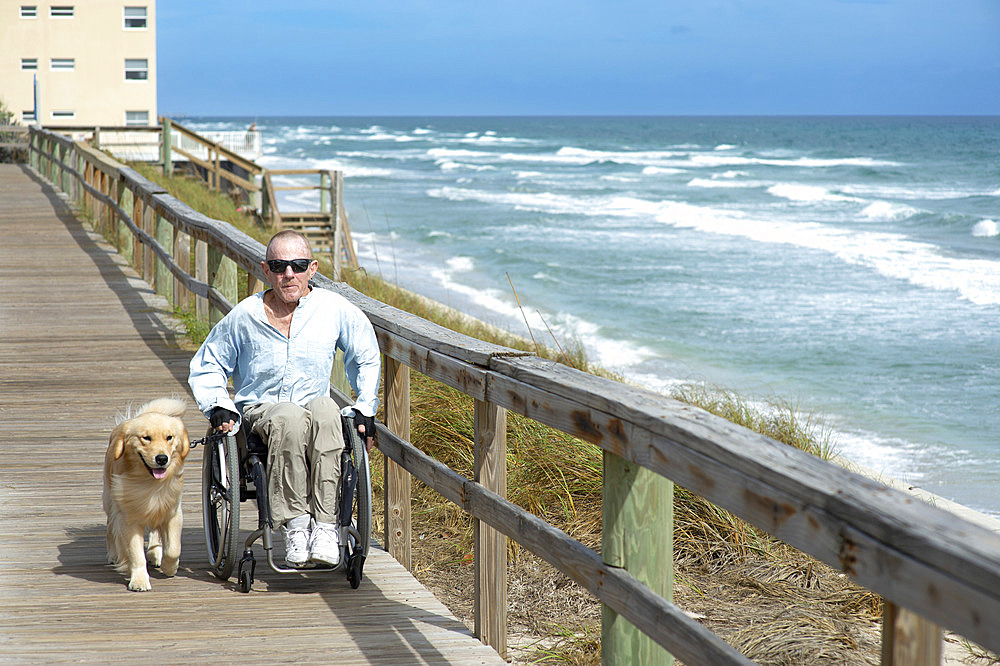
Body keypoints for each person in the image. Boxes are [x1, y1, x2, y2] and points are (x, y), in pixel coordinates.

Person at [188, 230, 380, 568]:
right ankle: (296, 524)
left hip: (314, 405)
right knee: (289, 416)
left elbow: (365, 353)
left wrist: (365, 405)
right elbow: (209, 363)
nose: (288, 274)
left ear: (312, 269)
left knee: (326, 411)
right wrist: (218, 403)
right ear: (266, 269)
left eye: (297, 265)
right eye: (278, 266)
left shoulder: (333, 308)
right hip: (262, 412)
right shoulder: (245, 316)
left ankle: (324, 525)